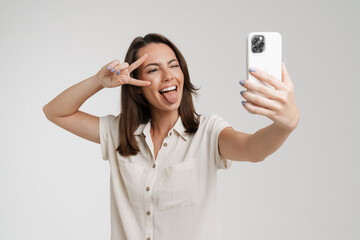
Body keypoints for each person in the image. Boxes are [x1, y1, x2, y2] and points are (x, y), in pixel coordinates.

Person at [43, 33, 299, 240]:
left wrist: (286, 125)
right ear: (137, 85)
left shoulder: (207, 133)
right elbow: (55, 112)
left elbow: (252, 149)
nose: (168, 76)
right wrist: (99, 81)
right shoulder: (120, 134)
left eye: (174, 65)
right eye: (153, 70)